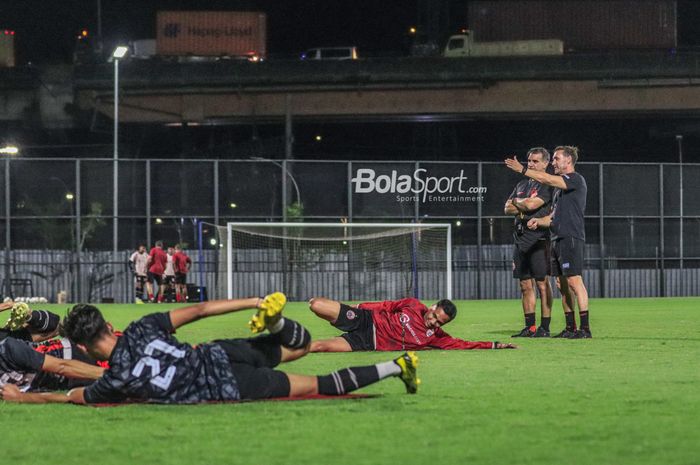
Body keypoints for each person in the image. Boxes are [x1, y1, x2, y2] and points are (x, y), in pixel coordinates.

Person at [0, 293, 420, 404]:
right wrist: (253, 302)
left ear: (85, 345)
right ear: (109, 325)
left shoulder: (115, 378)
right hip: (218, 352)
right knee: (304, 344)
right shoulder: (143, 326)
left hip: (226, 383)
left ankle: (397, 365)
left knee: (319, 385)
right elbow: (200, 309)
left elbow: (71, 394)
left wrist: (24, 400)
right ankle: (274, 321)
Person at [505, 145, 591, 338]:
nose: (554, 162)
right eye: (553, 159)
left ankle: (585, 329)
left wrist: (524, 170)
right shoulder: (559, 192)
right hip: (556, 238)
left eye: (557, 158)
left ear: (568, 160)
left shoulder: (575, 179)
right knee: (562, 284)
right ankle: (570, 328)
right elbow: (552, 217)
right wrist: (539, 221)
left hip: (571, 236)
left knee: (574, 281)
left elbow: (548, 178)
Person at [308, 296, 517, 352]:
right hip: (366, 319)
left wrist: (494, 345)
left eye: (439, 323)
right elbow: (387, 306)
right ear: (433, 307)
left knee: (318, 346)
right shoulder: (413, 305)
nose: (433, 322)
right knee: (316, 305)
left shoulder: (436, 338)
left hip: (363, 343)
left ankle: (285, 347)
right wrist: (360, 306)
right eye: (435, 316)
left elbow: (464, 344)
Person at [504, 147, 554, 338]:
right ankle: (530, 327)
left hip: (539, 238)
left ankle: (545, 327)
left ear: (545, 163)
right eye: (529, 161)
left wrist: (519, 204)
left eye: (535, 161)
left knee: (542, 284)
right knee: (525, 285)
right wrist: (521, 202)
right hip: (519, 238)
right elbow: (507, 208)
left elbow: (533, 205)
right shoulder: (522, 185)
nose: (531, 164)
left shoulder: (548, 184)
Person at [0, 302, 105, 392]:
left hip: (73, 356)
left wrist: (30, 315)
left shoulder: (8, 347)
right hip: (68, 379)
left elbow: (55, 326)